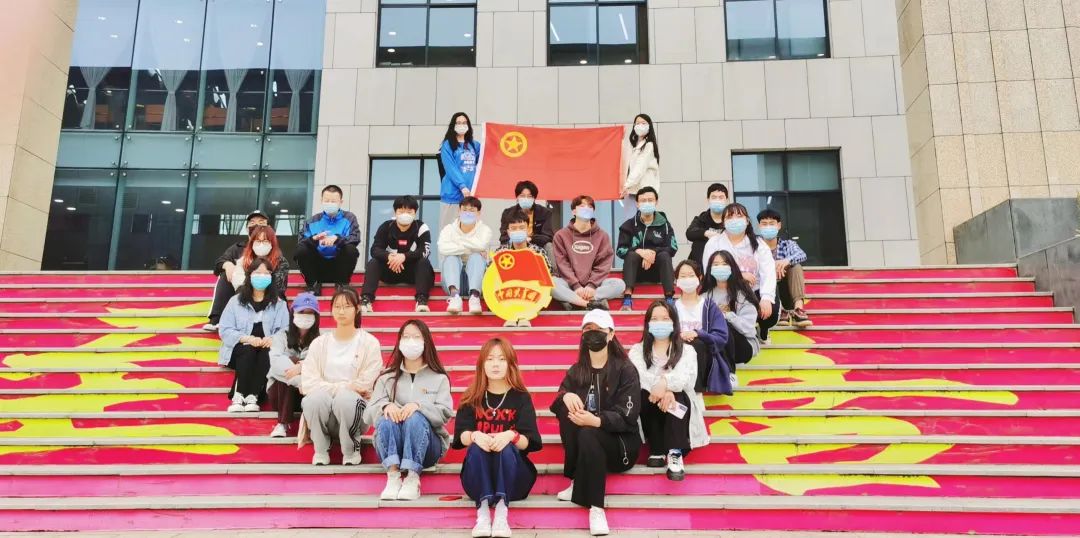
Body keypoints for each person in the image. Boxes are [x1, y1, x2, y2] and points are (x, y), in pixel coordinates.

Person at [551, 309, 641, 537]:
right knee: (567, 409)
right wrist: (566, 396)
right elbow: (557, 399)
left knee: (589, 432)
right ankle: (577, 478)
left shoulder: (626, 369)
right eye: (588, 329)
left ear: (610, 334)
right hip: (587, 442)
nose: (593, 334)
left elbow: (628, 416)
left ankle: (596, 508)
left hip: (620, 445)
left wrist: (597, 420)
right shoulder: (577, 370)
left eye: (599, 329)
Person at [453, 337, 543, 538]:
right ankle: (483, 513)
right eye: (490, 359)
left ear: (511, 364)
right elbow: (460, 437)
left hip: (515, 480)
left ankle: (502, 512)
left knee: (506, 446)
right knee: (476, 446)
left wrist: (511, 435)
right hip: (477, 479)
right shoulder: (471, 397)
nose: (495, 364)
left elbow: (531, 442)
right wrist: (475, 436)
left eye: (502, 359)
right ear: (482, 364)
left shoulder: (521, 397)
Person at [365, 320, 454, 501]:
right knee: (386, 417)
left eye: (416, 337)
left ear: (425, 341)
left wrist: (420, 407)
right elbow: (368, 414)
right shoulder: (386, 378)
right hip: (392, 447)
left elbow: (445, 413)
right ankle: (393, 476)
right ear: (399, 342)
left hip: (427, 448)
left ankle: (413, 478)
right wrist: (385, 406)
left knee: (415, 417)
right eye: (406, 337)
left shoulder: (439, 378)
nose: (411, 341)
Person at [628, 301, 710, 481]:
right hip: (650, 404)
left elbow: (686, 378)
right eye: (655, 319)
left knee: (677, 395)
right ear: (648, 323)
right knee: (643, 392)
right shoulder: (637, 351)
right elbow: (639, 376)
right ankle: (656, 448)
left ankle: (675, 452)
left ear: (674, 322)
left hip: (677, 409)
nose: (660, 323)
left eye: (665, 318)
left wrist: (666, 385)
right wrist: (661, 387)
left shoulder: (687, 350)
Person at [299, 287, 383, 465]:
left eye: (347, 306)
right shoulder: (319, 343)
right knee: (314, 400)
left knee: (345, 399)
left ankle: (351, 449)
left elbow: (365, 384)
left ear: (357, 308)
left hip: (354, 411)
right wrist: (345, 387)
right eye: (337, 307)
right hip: (325, 411)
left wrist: (338, 390)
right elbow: (308, 383)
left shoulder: (370, 343)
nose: (341, 311)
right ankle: (321, 449)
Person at [218, 258, 290, 413]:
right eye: (258, 273)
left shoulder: (279, 304)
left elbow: (286, 330)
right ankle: (239, 395)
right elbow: (224, 329)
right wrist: (247, 339)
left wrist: (273, 339)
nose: (262, 276)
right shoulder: (235, 301)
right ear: (249, 275)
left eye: (266, 273)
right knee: (248, 350)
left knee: (268, 353)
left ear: (271, 277)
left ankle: (253, 396)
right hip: (239, 348)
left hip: (266, 347)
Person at [700, 202, 778, 343]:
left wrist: (766, 298)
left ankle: (763, 328)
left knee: (771, 309)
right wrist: (739, 276)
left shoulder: (759, 244)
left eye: (739, 216)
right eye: (730, 217)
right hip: (725, 291)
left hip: (753, 291)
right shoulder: (713, 243)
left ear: (747, 221)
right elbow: (709, 271)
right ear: (723, 222)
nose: (735, 220)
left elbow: (768, 272)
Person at [205, 211, 284, 331]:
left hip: (267, 291)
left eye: (261, 222)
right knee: (226, 274)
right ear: (247, 228)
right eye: (252, 223)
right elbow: (220, 263)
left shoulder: (275, 254)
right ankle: (217, 318)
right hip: (242, 289)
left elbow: (280, 284)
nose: (256, 226)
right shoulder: (238, 249)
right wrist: (228, 265)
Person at [361, 195, 435, 314]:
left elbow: (424, 251)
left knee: (424, 262)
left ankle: (422, 300)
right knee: (374, 262)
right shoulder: (386, 226)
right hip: (391, 271)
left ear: (415, 213)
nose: (405, 214)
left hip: (413, 274)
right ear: (395, 212)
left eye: (409, 212)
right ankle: (366, 300)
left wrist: (404, 256)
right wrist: (389, 256)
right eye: (401, 211)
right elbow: (375, 249)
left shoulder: (422, 227)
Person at [551, 195, 626, 311]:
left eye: (590, 207)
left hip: (594, 286)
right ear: (573, 211)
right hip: (569, 284)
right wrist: (576, 286)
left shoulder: (602, 236)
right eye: (582, 206)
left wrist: (592, 286)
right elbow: (562, 264)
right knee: (552, 284)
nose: (586, 209)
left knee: (620, 284)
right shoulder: (561, 235)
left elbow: (603, 264)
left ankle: (577, 301)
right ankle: (587, 303)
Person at [672, 260, 733, 395]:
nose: (687, 279)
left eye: (691, 275)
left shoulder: (709, 306)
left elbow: (721, 337)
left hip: (704, 356)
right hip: (677, 354)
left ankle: (695, 392)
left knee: (697, 344)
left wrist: (698, 334)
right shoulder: (671, 308)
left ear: (699, 278)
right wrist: (679, 336)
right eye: (683, 276)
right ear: (676, 281)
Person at [266, 292, 320, 437]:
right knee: (289, 363)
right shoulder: (281, 336)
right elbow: (276, 363)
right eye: (301, 312)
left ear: (316, 316)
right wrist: (299, 378)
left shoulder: (321, 340)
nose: (305, 316)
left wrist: (302, 367)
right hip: (279, 394)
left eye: (310, 313)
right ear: (293, 313)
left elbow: (321, 366)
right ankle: (282, 424)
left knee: (299, 363)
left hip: (307, 393)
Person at [701, 250, 761, 378]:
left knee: (723, 326)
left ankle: (729, 374)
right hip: (714, 344)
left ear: (732, 267)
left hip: (742, 346)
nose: (720, 267)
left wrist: (727, 316)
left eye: (724, 264)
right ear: (710, 269)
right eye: (716, 264)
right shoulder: (704, 297)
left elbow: (748, 328)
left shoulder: (742, 294)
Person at [616, 187, 678, 311]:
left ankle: (669, 298)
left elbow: (673, 248)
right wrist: (640, 252)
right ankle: (627, 298)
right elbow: (620, 250)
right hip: (635, 272)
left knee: (664, 255)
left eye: (650, 200)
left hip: (658, 272)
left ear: (656, 202)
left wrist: (653, 253)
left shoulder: (665, 225)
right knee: (631, 255)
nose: (647, 203)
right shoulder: (628, 225)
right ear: (637, 204)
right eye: (643, 200)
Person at [296, 185, 362, 295]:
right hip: (317, 268)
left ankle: (342, 285)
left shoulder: (349, 218)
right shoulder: (312, 221)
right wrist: (314, 239)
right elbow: (301, 242)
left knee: (351, 249)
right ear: (321, 200)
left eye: (333, 201)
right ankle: (313, 285)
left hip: (340, 268)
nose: (330, 204)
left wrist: (337, 238)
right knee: (301, 250)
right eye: (327, 201)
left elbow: (355, 237)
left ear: (341, 202)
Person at [494, 209, 554, 327]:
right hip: (507, 293)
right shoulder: (500, 252)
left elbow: (548, 273)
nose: (518, 231)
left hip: (532, 293)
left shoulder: (538, 251)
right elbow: (489, 275)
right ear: (508, 232)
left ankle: (524, 316)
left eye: (521, 228)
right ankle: (511, 316)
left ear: (528, 230)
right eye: (514, 228)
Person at [757, 208, 812, 328]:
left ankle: (798, 310)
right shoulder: (755, 245)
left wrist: (786, 261)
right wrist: (772, 267)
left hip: (786, 289)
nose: (768, 227)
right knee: (765, 270)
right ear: (759, 226)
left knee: (795, 266)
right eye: (764, 224)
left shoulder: (788, 244)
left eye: (772, 223)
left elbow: (802, 255)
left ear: (779, 225)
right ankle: (780, 310)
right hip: (765, 293)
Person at [438, 196, 492, 315]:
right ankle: (454, 297)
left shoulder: (485, 230)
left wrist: (457, 244)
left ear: (479, 213)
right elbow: (443, 248)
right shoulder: (448, 229)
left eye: (472, 210)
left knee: (476, 257)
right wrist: (472, 247)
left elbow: (481, 245)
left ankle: (475, 297)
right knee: (451, 258)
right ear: (459, 211)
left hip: (476, 281)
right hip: (452, 280)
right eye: (464, 210)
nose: (467, 213)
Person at [439, 112, 481, 231]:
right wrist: (462, 186)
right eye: (458, 123)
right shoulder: (447, 145)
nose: (461, 125)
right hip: (452, 195)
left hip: (470, 196)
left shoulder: (475, 145)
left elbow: (483, 161)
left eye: (464, 122)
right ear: (453, 125)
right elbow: (450, 168)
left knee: (468, 230)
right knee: (449, 230)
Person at [498, 180, 556, 260]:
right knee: (502, 249)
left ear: (534, 198)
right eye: (522, 196)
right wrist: (515, 240)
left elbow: (548, 236)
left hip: (536, 244)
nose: (526, 199)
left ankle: (552, 269)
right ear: (517, 197)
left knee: (549, 246)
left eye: (529, 196)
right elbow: (503, 237)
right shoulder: (508, 213)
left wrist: (530, 239)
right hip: (514, 244)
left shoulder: (544, 212)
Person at [620, 114, 659, 222]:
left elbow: (639, 168)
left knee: (645, 221)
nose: (640, 126)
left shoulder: (649, 146)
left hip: (644, 192)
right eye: (637, 123)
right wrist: (621, 138)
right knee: (630, 222)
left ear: (649, 126)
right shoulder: (633, 145)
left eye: (643, 123)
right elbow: (624, 160)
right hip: (631, 191)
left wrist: (626, 185)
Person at [685, 184, 730, 266]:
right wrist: (706, 233)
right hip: (700, 262)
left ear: (726, 200)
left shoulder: (731, 219)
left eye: (721, 197)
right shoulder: (701, 219)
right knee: (699, 241)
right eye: (714, 197)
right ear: (708, 199)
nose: (717, 200)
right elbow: (689, 233)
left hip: (725, 261)